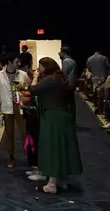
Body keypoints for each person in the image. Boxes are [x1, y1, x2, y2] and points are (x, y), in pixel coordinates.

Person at [32, 57, 82, 194]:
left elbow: (33, 90)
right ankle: (59, 181)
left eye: (40, 66)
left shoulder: (49, 79)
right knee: (61, 148)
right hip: (63, 116)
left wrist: (35, 77)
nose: (38, 69)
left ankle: (51, 185)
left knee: (53, 148)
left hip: (53, 117)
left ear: (46, 67)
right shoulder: (59, 78)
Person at [0, 53, 31, 168]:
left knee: (24, 132)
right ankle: (11, 157)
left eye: (19, 62)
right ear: (9, 62)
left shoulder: (22, 74)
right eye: (16, 62)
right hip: (6, 106)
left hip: (20, 106)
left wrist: (23, 90)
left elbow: (28, 88)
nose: (18, 64)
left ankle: (31, 157)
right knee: (9, 133)